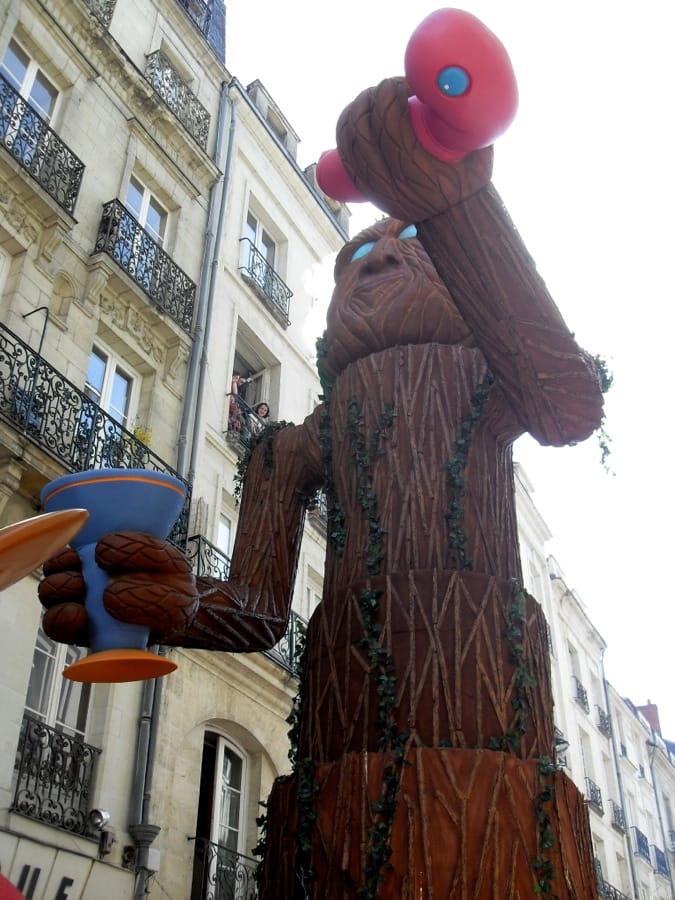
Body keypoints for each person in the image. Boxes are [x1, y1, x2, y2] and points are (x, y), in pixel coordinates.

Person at [38, 75, 604, 897]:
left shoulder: (488, 381)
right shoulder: (295, 445)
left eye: (411, 243)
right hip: (340, 730)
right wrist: (163, 599)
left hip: (491, 713)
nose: (379, 257)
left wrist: (460, 211)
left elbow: (567, 402)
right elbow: (258, 611)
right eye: (353, 261)